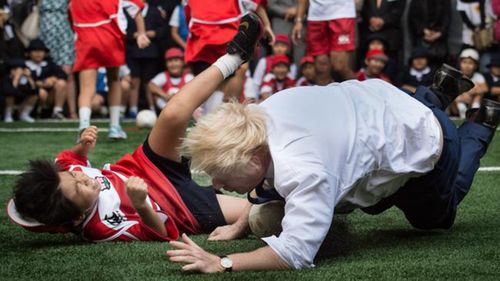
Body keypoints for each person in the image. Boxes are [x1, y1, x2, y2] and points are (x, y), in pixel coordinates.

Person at [161, 13, 499, 272]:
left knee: (436, 218)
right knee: (373, 202)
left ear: (250, 154)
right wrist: (240, 223)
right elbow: (261, 174)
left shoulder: (303, 168)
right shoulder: (259, 115)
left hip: (424, 137)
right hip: (386, 100)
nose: (218, 185)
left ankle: (480, 124)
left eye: (221, 174)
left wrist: (222, 263)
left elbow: (294, 253)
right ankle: (436, 93)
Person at [69, 0, 151, 139]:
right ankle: (114, 126)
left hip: (86, 38)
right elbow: (137, 8)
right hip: (110, 37)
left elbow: (71, 19)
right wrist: (142, 33)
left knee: (86, 88)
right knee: (114, 80)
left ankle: (83, 127)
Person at [292, 0, 356, 80]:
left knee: (339, 66)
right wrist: (299, 20)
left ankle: (359, 91)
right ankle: (327, 92)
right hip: (316, 17)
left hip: (341, 14)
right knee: (321, 67)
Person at [125, 0, 165, 117]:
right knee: (134, 80)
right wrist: (133, 35)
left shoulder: (154, 11)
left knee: (149, 81)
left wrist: (154, 33)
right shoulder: (127, 10)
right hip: (133, 52)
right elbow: (122, 30)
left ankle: (152, 109)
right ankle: (132, 109)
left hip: (150, 52)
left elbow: (163, 30)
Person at [39, 0, 77, 119]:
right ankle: (41, 109)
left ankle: (72, 112)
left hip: (64, 32)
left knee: (68, 73)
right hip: (44, 31)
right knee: (43, 70)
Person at [25, 39, 68, 119]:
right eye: (35, 51)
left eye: (41, 51)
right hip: (32, 95)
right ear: (29, 53)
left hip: (49, 97)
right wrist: (38, 83)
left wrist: (53, 79)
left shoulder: (49, 64)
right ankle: (36, 112)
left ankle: (57, 111)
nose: (38, 54)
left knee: (61, 83)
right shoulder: (25, 65)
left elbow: (63, 74)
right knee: (41, 93)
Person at [454, 48, 488, 118]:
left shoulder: (478, 76)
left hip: (471, 101)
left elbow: (485, 88)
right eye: (464, 62)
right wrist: (461, 95)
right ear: (460, 63)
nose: (467, 66)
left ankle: (474, 111)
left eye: (470, 63)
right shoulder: (456, 76)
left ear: (475, 66)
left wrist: (471, 92)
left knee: (479, 93)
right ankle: (462, 112)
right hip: (457, 105)